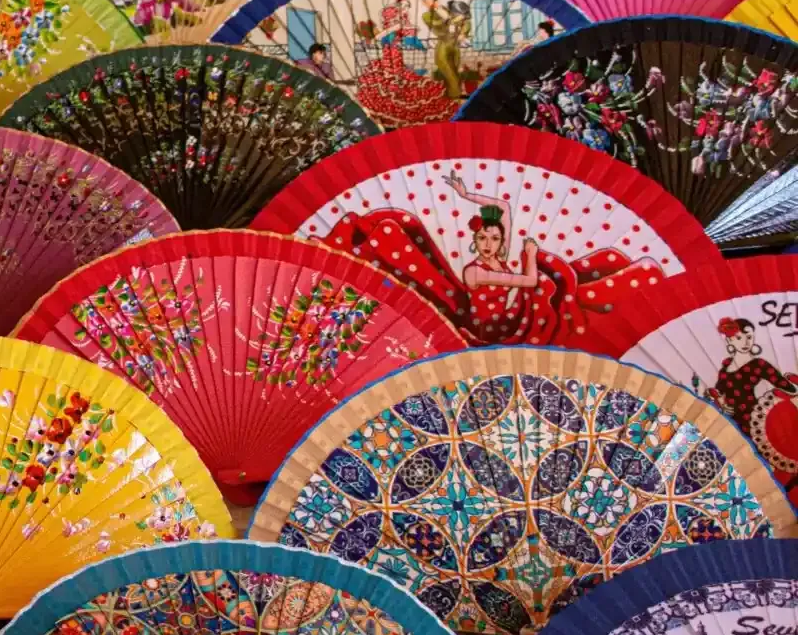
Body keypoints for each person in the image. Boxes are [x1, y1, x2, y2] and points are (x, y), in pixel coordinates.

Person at [317, 170, 661, 343]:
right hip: (489, 332)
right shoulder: (474, 272)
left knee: (564, 284)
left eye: (493, 237)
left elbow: (503, 207)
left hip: (513, 317)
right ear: (476, 240)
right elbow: (526, 280)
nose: (487, 242)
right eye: (482, 237)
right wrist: (528, 254)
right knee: (541, 283)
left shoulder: (498, 257)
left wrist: (468, 194)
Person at [709, 317, 798, 486]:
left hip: (755, 421)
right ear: (729, 339)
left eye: (749, 337)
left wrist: (792, 386)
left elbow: (785, 385)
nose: (745, 342)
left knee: (769, 470)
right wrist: (721, 402)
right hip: (734, 423)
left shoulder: (758, 364)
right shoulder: (725, 368)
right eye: (739, 337)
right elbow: (720, 392)